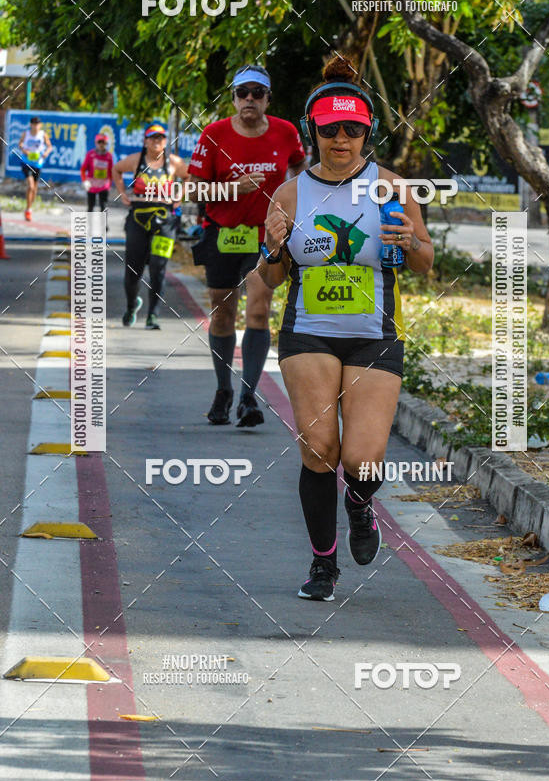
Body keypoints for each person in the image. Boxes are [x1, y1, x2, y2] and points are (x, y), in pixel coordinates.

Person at [258, 55, 434, 601]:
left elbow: (426, 260)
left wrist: (411, 244)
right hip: (307, 331)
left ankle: (361, 505)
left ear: (366, 133)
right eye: (330, 129)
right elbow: (269, 275)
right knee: (318, 447)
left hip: (374, 335)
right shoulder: (289, 194)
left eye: (352, 130)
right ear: (313, 131)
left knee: (361, 459)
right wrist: (273, 247)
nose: (341, 140)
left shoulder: (393, 188)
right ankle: (323, 565)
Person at [188, 64, 307, 427]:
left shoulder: (286, 133)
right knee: (222, 315)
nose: (250, 100)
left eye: (258, 93)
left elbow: (303, 174)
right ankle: (224, 388)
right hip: (222, 233)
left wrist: (292, 213)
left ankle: (248, 397)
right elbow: (192, 190)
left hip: (266, 235)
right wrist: (232, 188)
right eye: (243, 93)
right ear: (234, 98)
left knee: (258, 311)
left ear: (268, 98)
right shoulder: (214, 133)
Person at [113, 123, 190, 330]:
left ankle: (153, 316)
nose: (157, 141)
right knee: (133, 271)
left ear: (166, 141)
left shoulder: (172, 162)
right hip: (138, 219)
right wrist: (123, 194)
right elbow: (116, 170)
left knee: (158, 268)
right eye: (153, 138)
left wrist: (179, 197)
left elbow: (189, 175)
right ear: (145, 141)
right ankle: (131, 306)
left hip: (165, 221)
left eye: (161, 138)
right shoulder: (136, 160)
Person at [18, 117, 53, 221]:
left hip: (38, 164)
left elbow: (50, 146)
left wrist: (46, 153)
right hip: (26, 162)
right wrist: (25, 150)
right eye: (33, 124)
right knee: (31, 186)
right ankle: (28, 209)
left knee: (35, 189)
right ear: (31, 125)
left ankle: (29, 208)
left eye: (37, 124)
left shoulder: (43, 134)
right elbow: (20, 144)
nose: (35, 126)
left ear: (40, 125)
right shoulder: (26, 134)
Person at [80, 132, 114, 221]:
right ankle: (89, 225)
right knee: (91, 206)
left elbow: (111, 171)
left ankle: (103, 226)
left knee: (104, 206)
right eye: (100, 142)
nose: (101, 145)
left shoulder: (109, 156)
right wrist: (85, 181)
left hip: (104, 185)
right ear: (96, 143)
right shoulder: (90, 155)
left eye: (104, 143)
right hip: (92, 184)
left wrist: (109, 184)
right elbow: (83, 169)